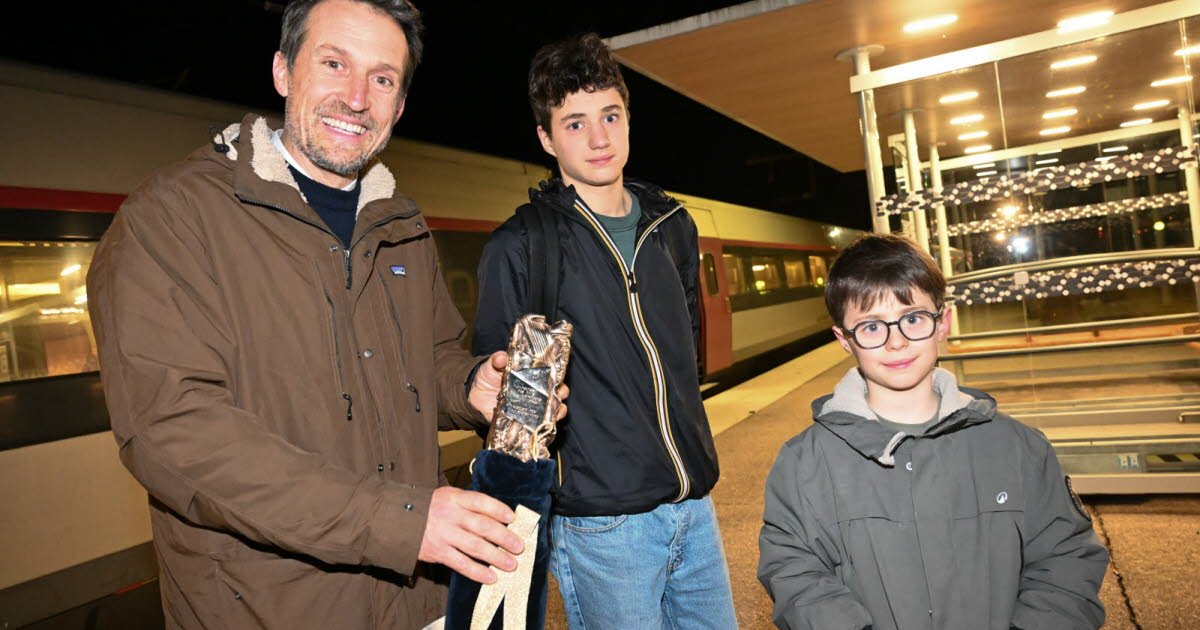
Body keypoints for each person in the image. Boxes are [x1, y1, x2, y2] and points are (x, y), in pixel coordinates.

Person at [87, 1, 554, 628]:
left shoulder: (400, 222)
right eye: (334, 64)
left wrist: (471, 387)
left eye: (382, 78)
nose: (356, 98)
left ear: (400, 105)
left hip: (413, 600)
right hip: (268, 608)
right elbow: (172, 430)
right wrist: (400, 522)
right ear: (283, 71)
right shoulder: (172, 218)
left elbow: (431, 358)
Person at [471, 33, 737, 629]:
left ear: (628, 120)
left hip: (694, 504)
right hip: (602, 524)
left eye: (610, 116)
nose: (599, 138)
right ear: (546, 139)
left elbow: (685, 358)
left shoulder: (672, 225)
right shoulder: (521, 245)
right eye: (575, 123)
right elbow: (498, 399)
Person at [758, 234, 1109, 630]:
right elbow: (796, 573)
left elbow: (1065, 559)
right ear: (844, 340)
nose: (896, 342)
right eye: (871, 327)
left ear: (943, 322)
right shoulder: (803, 463)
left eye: (912, 319)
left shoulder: (1020, 448)